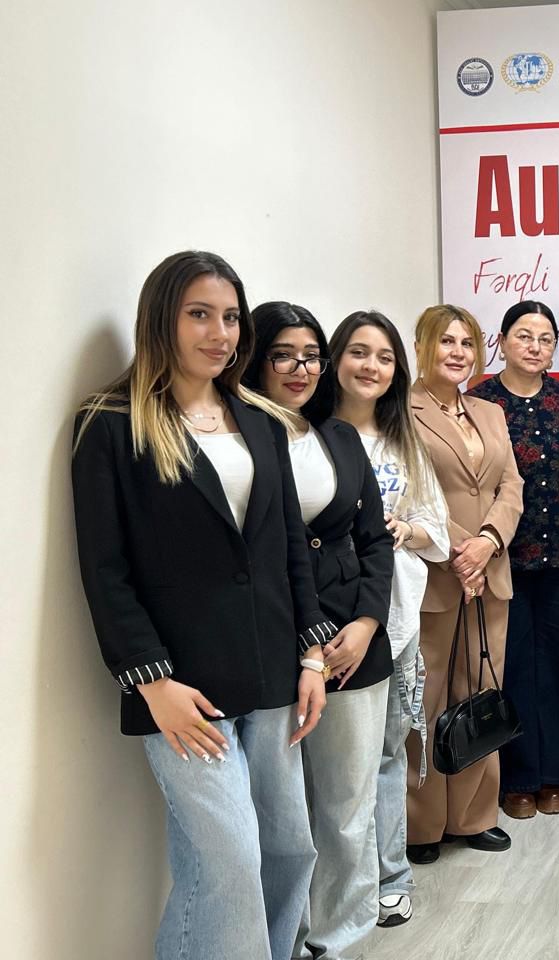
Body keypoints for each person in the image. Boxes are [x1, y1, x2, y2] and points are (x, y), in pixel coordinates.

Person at [71, 251, 332, 960]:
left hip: (275, 673)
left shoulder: (261, 421)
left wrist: (312, 655)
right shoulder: (111, 423)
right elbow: (104, 570)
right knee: (229, 864)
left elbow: (288, 547)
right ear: (162, 318)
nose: (220, 333)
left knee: (289, 849)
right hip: (184, 688)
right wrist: (151, 682)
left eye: (230, 317)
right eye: (199, 315)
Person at [243, 303, 394, 959]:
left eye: (311, 355)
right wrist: (311, 639)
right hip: (275, 639)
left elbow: (375, 541)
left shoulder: (339, 436)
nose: (300, 368)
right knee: (282, 814)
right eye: (283, 354)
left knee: (347, 804)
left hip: (354, 641)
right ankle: (285, 936)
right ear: (256, 360)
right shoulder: (241, 437)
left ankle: (339, 937)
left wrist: (365, 623)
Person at [325, 310, 450, 929]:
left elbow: (440, 535)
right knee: (335, 768)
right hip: (329, 622)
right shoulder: (311, 436)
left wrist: (404, 529)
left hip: (395, 622)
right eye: (358, 352)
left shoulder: (404, 441)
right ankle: (338, 892)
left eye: (384, 356)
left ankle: (391, 878)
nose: (370, 366)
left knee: (385, 753)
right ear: (335, 359)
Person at [405, 304, 523, 862]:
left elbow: (510, 485)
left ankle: (473, 816)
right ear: (422, 347)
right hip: (433, 572)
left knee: (479, 692)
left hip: (489, 574)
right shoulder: (400, 411)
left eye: (467, 343)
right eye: (446, 341)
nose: (457, 352)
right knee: (425, 699)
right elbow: (409, 490)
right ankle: (422, 825)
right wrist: (460, 548)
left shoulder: (489, 412)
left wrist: (489, 542)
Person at [469, 300, 559, 819]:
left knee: (558, 665)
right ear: (501, 341)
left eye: (545, 339)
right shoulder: (479, 402)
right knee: (509, 666)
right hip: (500, 560)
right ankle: (516, 778)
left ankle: (555, 775)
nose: (534, 347)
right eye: (524, 335)